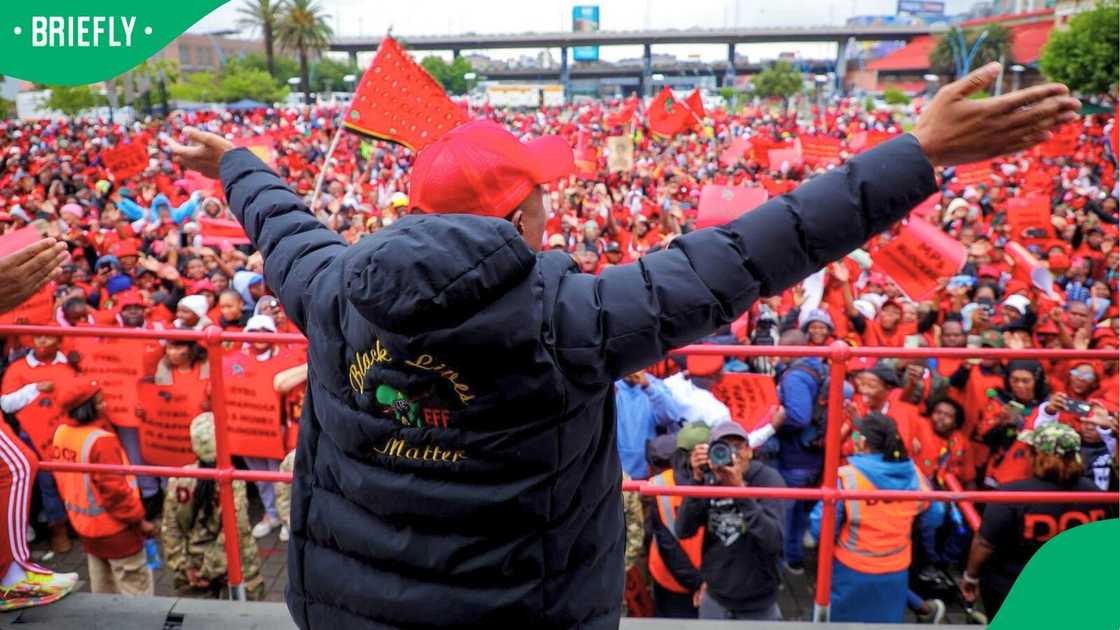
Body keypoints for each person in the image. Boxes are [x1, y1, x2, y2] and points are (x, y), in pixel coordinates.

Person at [167, 64, 1080, 628]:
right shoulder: (577, 317)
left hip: (344, 612)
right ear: (520, 210)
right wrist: (919, 152)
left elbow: (279, 222)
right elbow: (761, 247)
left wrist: (232, 167)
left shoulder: (332, 290)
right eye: (539, 191)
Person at [960, 423, 1116, 618]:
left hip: (1015, 589)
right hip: (1077, 589)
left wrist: (970, 577)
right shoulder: (1097, 495)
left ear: (1037, 455)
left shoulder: (1013, 495)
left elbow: (984, 543)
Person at [810, 412, 944, 623]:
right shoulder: (916, 476)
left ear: (862, 442)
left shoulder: (846, 477)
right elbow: (934, 518)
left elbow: (821, 528)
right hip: (896, 567)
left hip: (851, 569)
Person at [50, 379, 155, 595]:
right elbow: (116, 493)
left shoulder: (61, 434)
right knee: (136, 591)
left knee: (103, 590)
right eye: (99, 402)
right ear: (87, 409)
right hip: (117, 530)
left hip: (86, 528)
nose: (105, 405)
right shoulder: (101, 441)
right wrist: (139, 520)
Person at [676, 421, 786, 621]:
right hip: (716, 597)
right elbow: (683, 530)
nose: (733, 454)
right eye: (724, 448)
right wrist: (696, 480)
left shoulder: (768, 480)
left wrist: (739, 491)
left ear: (750, 452)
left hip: (758, 603)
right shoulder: (709, 480)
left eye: (738, 447)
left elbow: (774, 542)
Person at [161, 413, 265, 600]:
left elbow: (170, 529)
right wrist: (209, 569)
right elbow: (235, 530)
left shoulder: (179, 480)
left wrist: (184, 566)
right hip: (233, 567)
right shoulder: (232, 482)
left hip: (193, 564)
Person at [774, 329, 826, 575]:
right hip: (813, 454)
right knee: (800, 512)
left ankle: (783, 563)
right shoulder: (820, 367)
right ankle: (795, 560)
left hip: (795, 455)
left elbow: (798, 416)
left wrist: (772, 423)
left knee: (786, 512)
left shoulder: (794, 377)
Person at [645, 422, 708, 619]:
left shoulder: (659, 483)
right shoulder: (719, 484)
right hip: (704, 582)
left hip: (669, 577)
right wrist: (699, 583)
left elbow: (665, 543)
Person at [615, 370, 683, 480]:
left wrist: (648, 387)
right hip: (616, 472)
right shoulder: (609, 386)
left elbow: (672, 415)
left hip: (648, 471)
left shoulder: (653, 384)